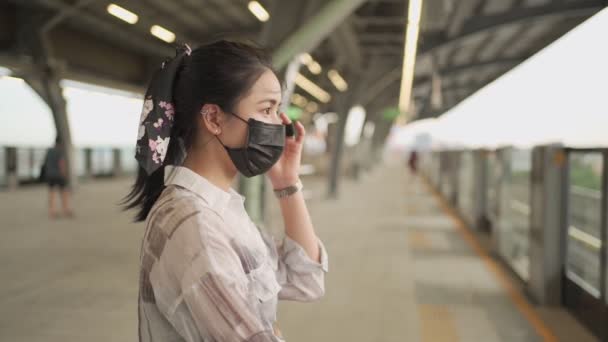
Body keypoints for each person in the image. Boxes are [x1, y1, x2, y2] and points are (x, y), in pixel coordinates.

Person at [123, 40, 328, 342]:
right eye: (267, 109)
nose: (279, 125)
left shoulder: (222, 209)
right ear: (214, 118)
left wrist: (286, 183)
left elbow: (304, 280)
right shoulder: (195, 226)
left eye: (277, 110)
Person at [43, 136, 73, 218]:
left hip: (50, 174)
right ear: (61, 143)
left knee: (51, 193)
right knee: (64, 192)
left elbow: (45, 163)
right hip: (59, 175)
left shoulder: (49, 151)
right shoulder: (60, 151)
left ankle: (51, 211)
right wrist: (65, 175)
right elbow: (61, 164)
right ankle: (65, 210)